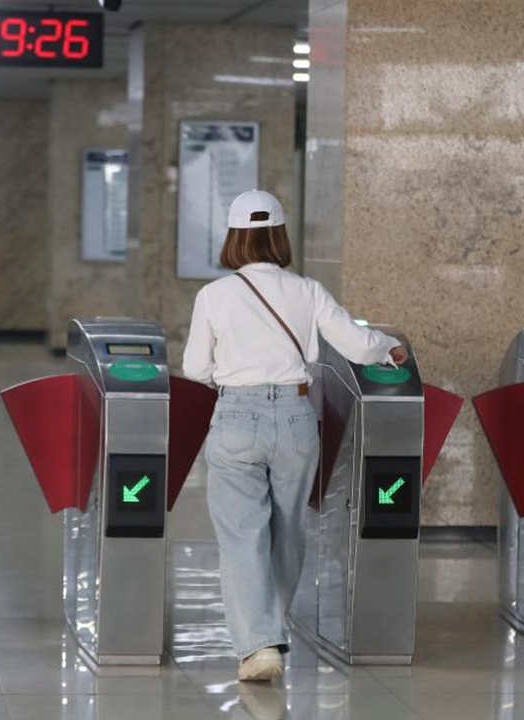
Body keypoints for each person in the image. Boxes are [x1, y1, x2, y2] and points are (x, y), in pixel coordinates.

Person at [183, 189, 407, 681]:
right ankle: (272, 632)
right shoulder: (307, 290)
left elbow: (194, 367)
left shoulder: (214, 295)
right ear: (279, 235)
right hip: (295, 417)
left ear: (234, 237)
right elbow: (356, 342)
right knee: (288, 533)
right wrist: (389, 347)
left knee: (242, 536)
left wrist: (233, 372)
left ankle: (258, 645)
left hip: (237, 418)